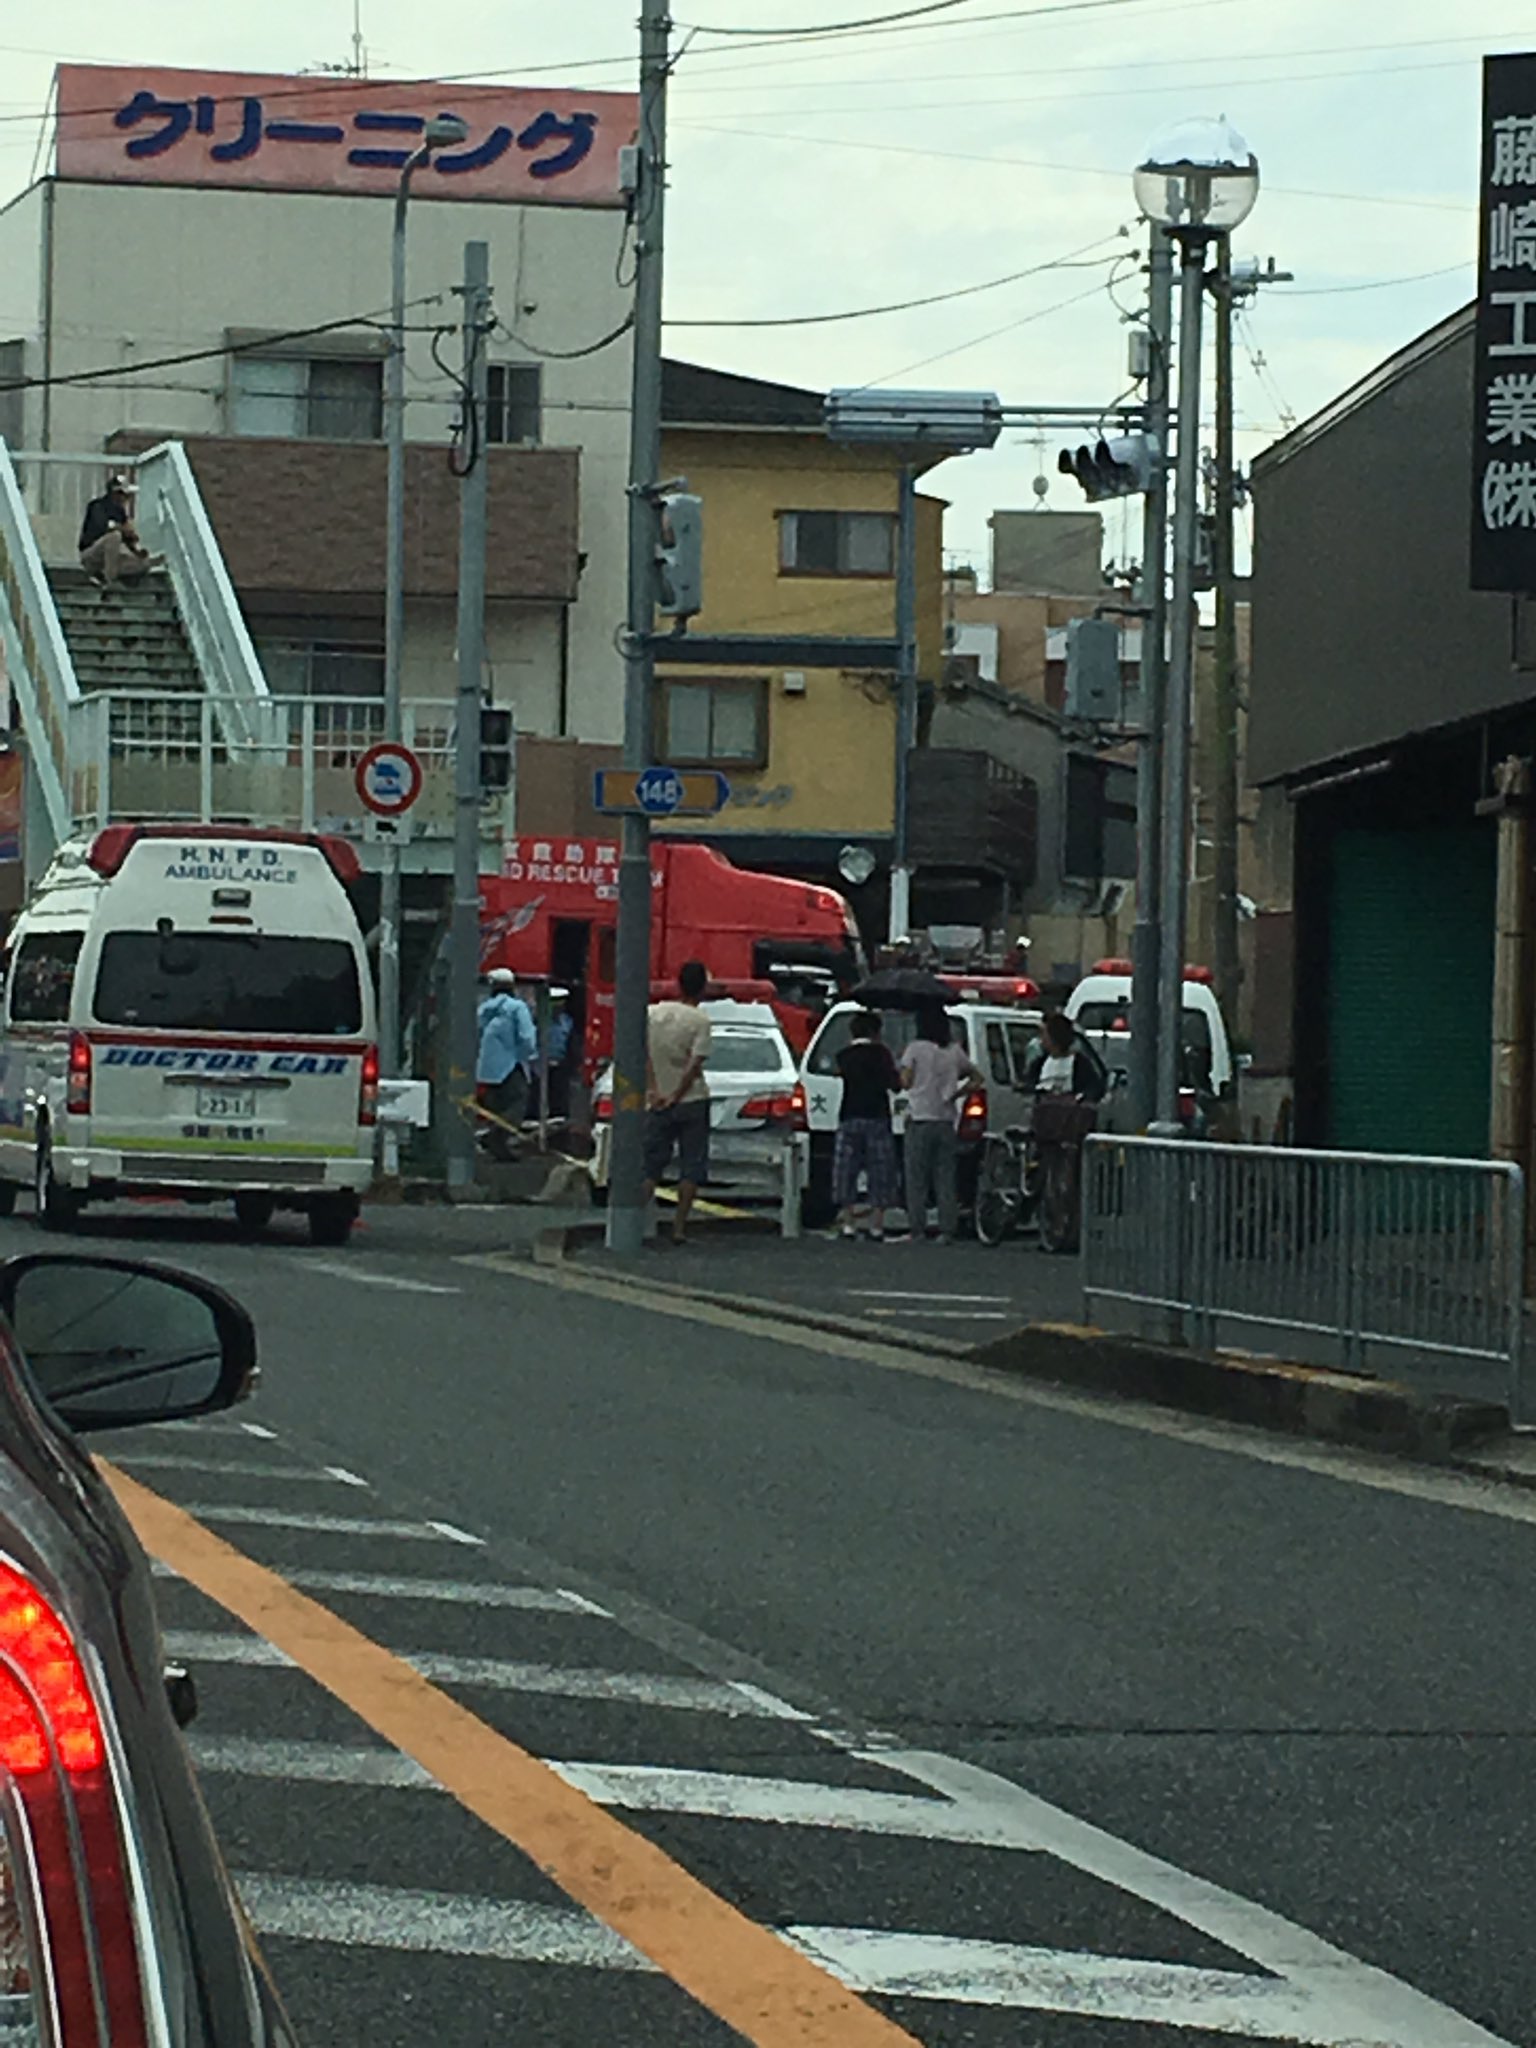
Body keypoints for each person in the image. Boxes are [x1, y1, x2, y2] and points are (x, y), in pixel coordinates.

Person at [898, 1006, 983, 1242]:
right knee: (945, 1176)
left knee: (916, 1177)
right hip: (946, 1119)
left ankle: (917, 1228)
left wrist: (908, 1074)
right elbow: (977, 1077)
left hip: (919, 1118)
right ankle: (947, 1229)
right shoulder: (954, 1050)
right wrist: (956, 1094)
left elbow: (905, 1082)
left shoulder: (915, 1048)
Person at [643, 960, 712, 1246]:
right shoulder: (701, 1021)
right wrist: (677, 1094)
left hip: (656, 1099)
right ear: (703, 988)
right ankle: (679, 1227)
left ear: (677, 983)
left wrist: (655, 1089)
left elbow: (643, 1054)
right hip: (692, 1100)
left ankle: (634, 1221)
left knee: (650, 1165)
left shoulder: (653, 1013)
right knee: (690, 1165)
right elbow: (694, 1064)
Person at [832, 1010, 902, 1241]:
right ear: (876, 1032)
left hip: (849, 1115)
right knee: (880, 1171)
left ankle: (848, 1223)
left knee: (846, 1171)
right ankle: (876, 1225)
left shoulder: (844, 1055)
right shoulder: (882, 1054)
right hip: (877, 1116)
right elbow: (895, 1085)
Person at [476, 967, 537, 1161]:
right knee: (518, 1102)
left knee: (496, 1108)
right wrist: (528, 1055)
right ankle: (493, 1137)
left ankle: (498, 1149)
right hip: (510, 1066)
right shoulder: (517, 1008)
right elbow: (527, 1038)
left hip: (486, 1069)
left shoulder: (484, 1009)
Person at [78, 476, 151, 587]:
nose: (127, 499)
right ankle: (109, 580)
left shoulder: (120, 512)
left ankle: (103, 575)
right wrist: (121, 529)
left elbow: (127, 539)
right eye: (124, 495)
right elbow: (101, 527)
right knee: (114, 537)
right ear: (115, 493)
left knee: (143, 564)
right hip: (92, 555)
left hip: (111, 559)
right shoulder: (97, 506)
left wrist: (136, 548)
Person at [1026, 1010, 1107, 1102]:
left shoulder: (1080, 1065)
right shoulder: (1039, 1064)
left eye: (1044, 1034)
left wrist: (1079, 1099)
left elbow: (1094, 1089)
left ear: (1055, 1036)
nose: (1041, 1038)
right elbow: (1029, 1086)